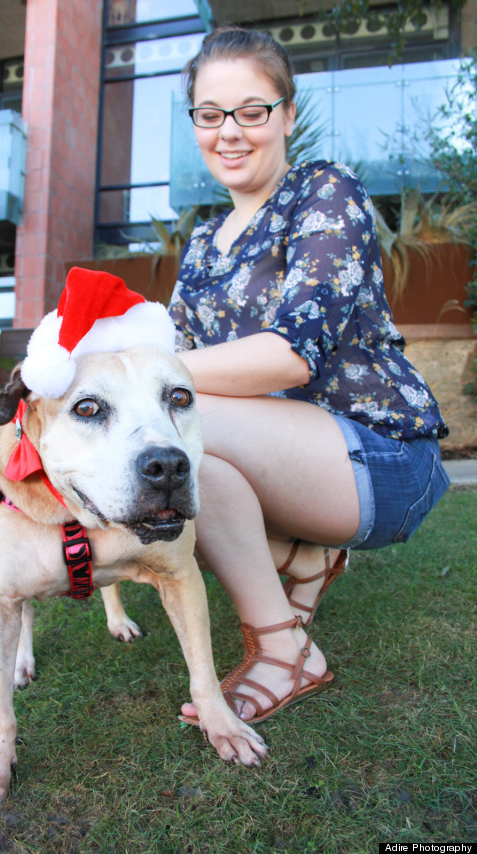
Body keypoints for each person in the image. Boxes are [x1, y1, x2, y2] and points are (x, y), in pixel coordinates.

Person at [167, 25, 450, 728]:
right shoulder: (201, 245)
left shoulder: (324, 192)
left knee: (169, 411)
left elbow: (294, 352)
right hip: (292, 462)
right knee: (168, 445)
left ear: (287, 115)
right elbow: (167, 342)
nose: (229, 132)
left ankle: (286, 636)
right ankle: (292, 583)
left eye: (251, 110)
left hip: (381, 456)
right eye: (210, 114)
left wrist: (149, 372)